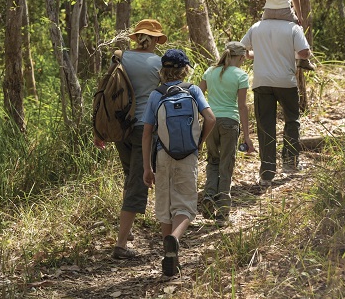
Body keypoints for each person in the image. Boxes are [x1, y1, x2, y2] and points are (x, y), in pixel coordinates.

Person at [94, 19, 168, 260]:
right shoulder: (159, 64)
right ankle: (121, 245)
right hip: (145, 129)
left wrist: (99, 130)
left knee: (130, 176)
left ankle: (127, 229)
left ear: (136, 38)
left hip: (119, 128)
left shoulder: (120, 57)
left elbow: (104, 93)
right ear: (155, 39)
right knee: (138, 182)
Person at [141, 49, 215, 277]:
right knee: (185, 205)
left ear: (162, 70)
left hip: (163, 155)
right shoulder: (193, 90)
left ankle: (169, 257)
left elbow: (146, 133)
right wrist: (199, 142)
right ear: (185, 69)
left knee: (165, 206)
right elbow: (211, 119)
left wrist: (147, 167)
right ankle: (175, 237)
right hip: (188, 156)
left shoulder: (156, 95)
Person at [240, 18, 312, 187]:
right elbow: (304, 53)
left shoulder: (256, 27)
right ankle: (291, 162)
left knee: (265, 125)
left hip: (262, 81)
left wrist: (259, 54)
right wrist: (291, 52)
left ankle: (267, 172)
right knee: (292, 120)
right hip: (286, 81)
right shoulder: (293, 27)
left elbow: (241, 50)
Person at [198, 41, 255, 225]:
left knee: (213, 160)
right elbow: (242, 106)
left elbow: (198, 96)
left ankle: (208, 195)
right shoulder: (240, 75)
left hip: (210, 122)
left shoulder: (210, 72)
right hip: (230, 123)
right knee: (226, 165)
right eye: (242, 59)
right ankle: (222, 212)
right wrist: (247, 136)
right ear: (239, 57)